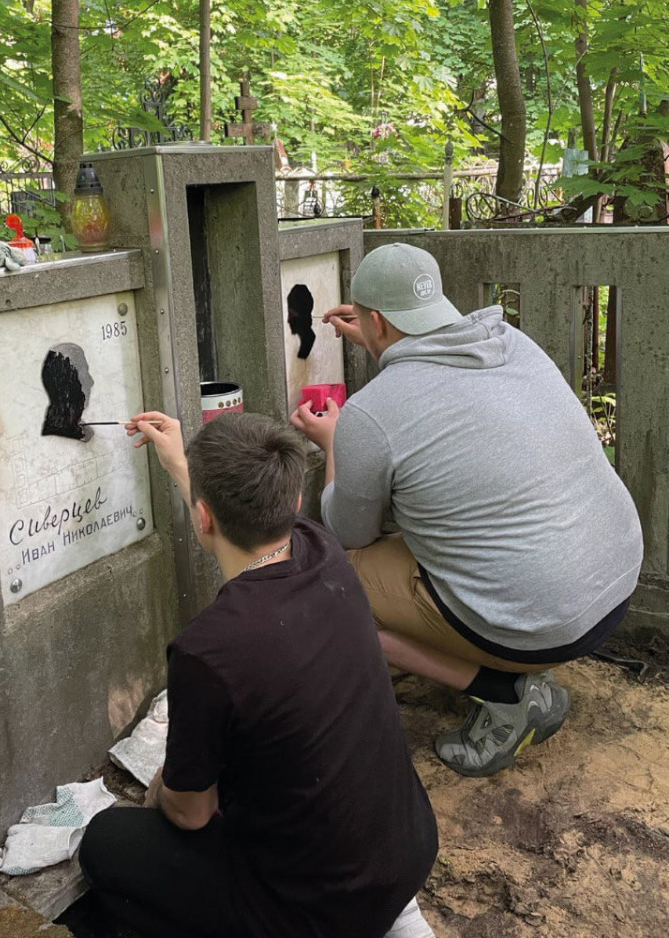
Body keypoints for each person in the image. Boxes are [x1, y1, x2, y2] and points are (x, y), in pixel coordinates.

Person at [78, 410, 438, 938]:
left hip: (317, 908)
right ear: (293, 503)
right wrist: (182, 464)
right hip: (402, 854)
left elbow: (191, 814)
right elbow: (239, 529)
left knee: (106, 843)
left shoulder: (209, 649)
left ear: (203, 517)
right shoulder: (325, 552)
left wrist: (163, 790)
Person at [291, 242, 643, 777]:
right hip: (611, 588)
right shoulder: (512, 344)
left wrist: (336, 441)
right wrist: (385, 345)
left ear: (376, 321)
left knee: (332, 585)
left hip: (541, 624)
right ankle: (515, 659)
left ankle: (506, 695)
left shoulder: (371, 415)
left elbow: (348, 534)